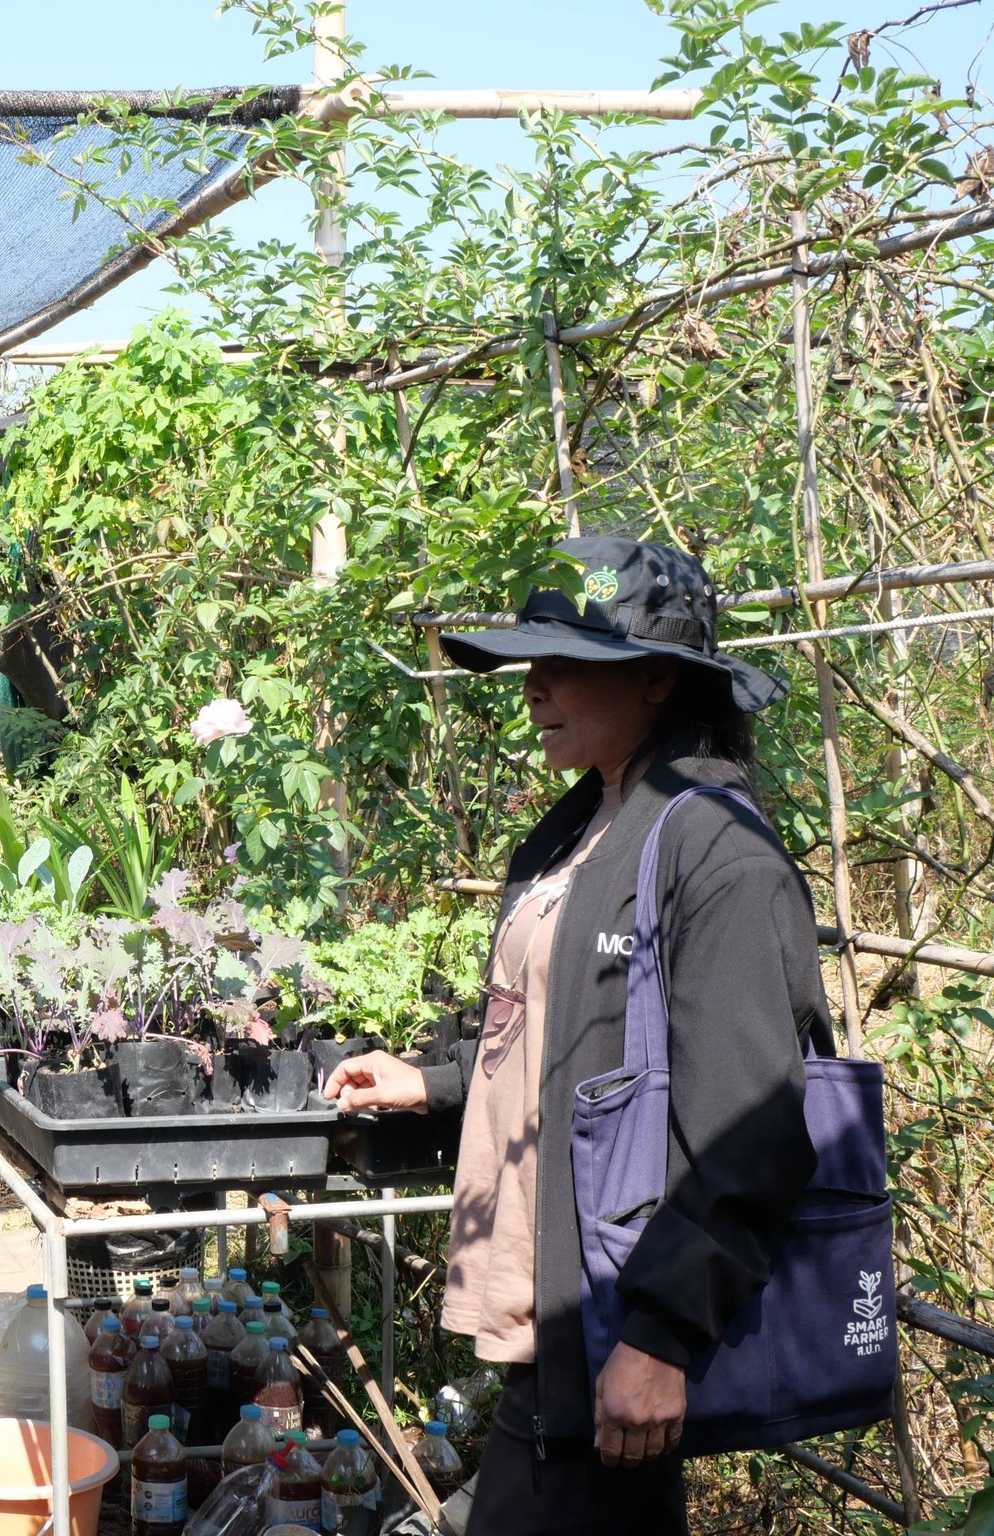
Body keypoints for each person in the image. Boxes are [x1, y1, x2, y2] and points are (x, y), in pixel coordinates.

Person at [322, 537, 831, 1534]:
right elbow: (574, 1035)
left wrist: (661, 1334)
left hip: (616, 1333)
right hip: (553, 1334)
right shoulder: (579, 829)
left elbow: (750, 1125)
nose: (533, 687)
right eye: (529, 662)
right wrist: (431, 1080)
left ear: (653, 678)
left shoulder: (714, 853)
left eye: (565, 663)